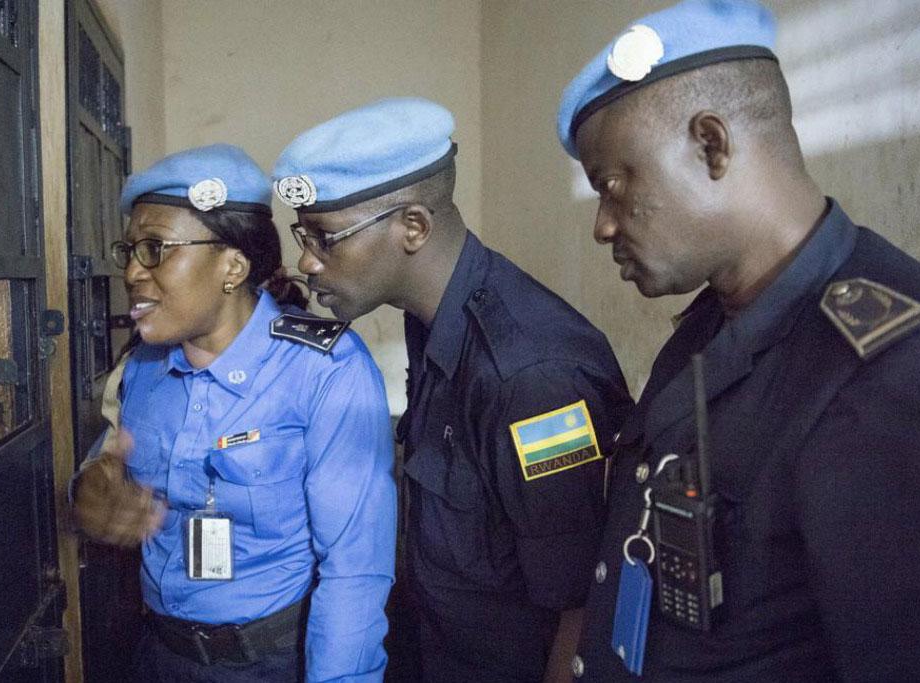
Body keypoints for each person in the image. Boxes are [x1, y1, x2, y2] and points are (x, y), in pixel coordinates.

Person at [556, 1, 920, 680]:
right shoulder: (712, 321)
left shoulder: (890, 371)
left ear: (711, 145)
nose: (603, 226)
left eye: (612, 187)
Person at [272, 98, 633, 682]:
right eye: (303, 236)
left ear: (413, 227)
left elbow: (581, 604)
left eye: (326, 239)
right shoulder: (433, 318)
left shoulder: (529, 376)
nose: (307, 263)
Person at [71, 143, 396, 682]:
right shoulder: (142, 367)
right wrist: (89, 490)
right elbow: (102, 467)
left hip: (271, 663)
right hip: (157, 655)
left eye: (155, 249)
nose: (131, 272)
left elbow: (355, 572)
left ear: (233, 266)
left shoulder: (325, 369)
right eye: (128, 250)